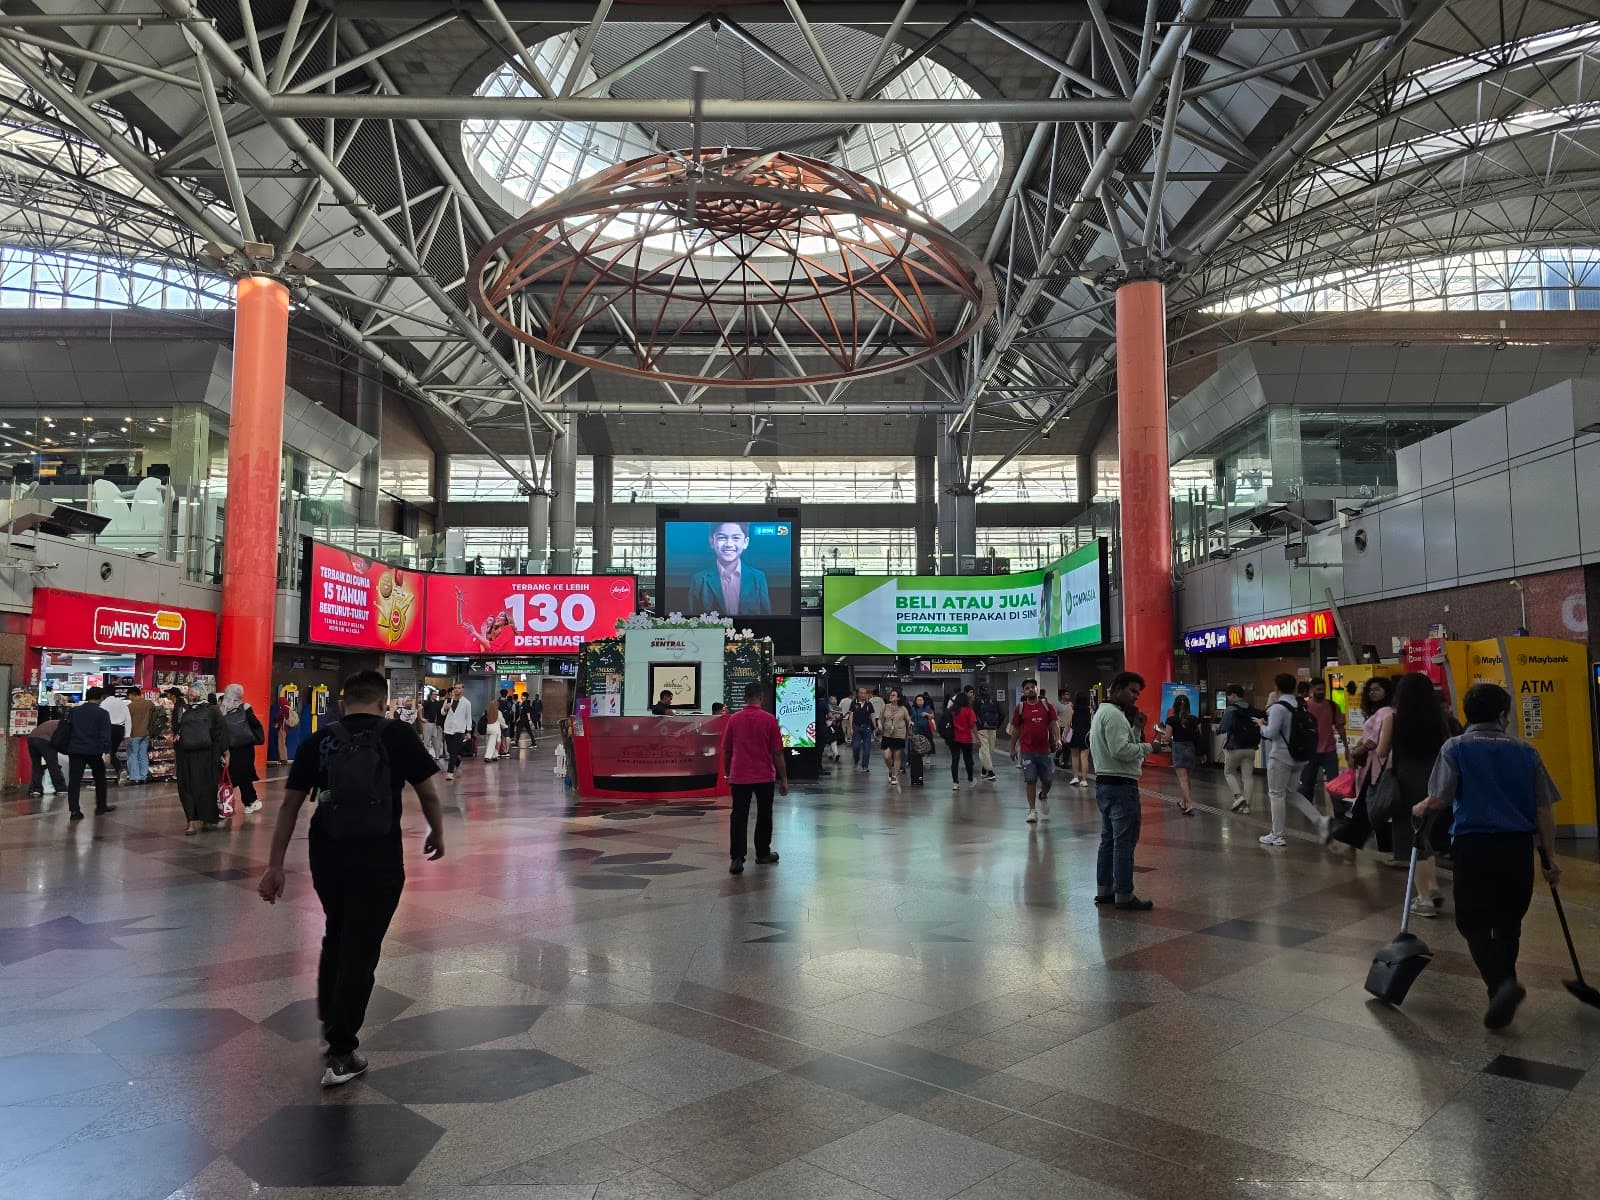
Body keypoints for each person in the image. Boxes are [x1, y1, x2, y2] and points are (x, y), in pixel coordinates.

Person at [259, 670, 445, 1085]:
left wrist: (275, 866)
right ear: (382, 703)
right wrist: (437, 831)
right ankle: (342, 1053)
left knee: (337, 932)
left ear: (343, 703)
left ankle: (331, 1023)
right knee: (362, 947)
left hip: (327, 853)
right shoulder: (397, 735)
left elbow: (289, 807)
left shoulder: (318, 740)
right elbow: (428, 792)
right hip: (378, 856)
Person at [1412, 683, 1561, 1030]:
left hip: (1474, 846)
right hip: (1516, 847)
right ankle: (1501, 990)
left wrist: (1420, 806)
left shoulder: (1455, 747)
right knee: (1509, 921)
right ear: (1503, 715)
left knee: (1472, 922)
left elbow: (1440, 798)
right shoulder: (1526, 751)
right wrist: (1550, 857)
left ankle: (1501, 985)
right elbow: (1543, 809)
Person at [1376, 673, 1453, 918]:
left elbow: (1381, 751)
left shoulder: (1394, 718)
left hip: (1407, 782)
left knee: (1413, 840)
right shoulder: (1441, 719)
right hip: (1437, 782)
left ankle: (1424, 899)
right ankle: (1432, 886)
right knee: (1425, 834)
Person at [1089, 672, 1164, 910]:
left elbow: (1123, 744)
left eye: (1137, 693)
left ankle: (1105, 890)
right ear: (1117, 689)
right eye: (1132, 691)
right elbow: (1121, 750)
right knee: (1124, 842)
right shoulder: (1114, 715)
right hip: (1121, 786)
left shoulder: (1103, 712)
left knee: (1109, 840)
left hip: (1106, 784)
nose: (1135, 696)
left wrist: (1136, 728)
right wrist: (1150, 747)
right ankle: (1123, 894)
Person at [1258, 673, 1331, 848]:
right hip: (1299, 758)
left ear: (1277, 688)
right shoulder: (1301, 705)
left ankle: (1277, 835)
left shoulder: (1278, 708)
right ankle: (1320, 820)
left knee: (1276, 794)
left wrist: (1261, 725)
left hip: (1280, 757)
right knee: (1291, 793)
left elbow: (1271, 733)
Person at [722, 683, 786, 875]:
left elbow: (727, 750)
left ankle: (737, 858)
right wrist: (784, 778)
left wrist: (728, 774)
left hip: (740, 775)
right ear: (761, 697)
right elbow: (777, 753)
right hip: (764, 775)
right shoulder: (769, 720)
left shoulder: (734, 719)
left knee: (738, 815)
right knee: (765, 814)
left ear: (744, 698)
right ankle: (763, 853)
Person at [1335, 676, 1397, 853]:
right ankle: (1374, 842)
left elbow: (1372, 741)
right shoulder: (1381, 711)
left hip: (1378, 764)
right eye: (1370, 690)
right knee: (1372, 803)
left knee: (1369, 803)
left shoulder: (1385, 712)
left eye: (1377, 689)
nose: (1372, 693)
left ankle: (1352, 837)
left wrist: (1355, 753)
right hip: (1375, 764)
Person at [688, 521, 772, 615]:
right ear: (712, 542)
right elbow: (693, 619)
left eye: (736, 538)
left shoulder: (758, 577)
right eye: (722, 538)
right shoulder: (699, 580)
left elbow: (766, 616)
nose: (729, 544)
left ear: (745, 542)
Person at [174, 688, 228, 835]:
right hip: (208, 756)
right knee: (207, 788)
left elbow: (176, 731)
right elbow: (221, 732)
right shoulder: (213, 710)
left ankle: (191, 823)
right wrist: (225, 752)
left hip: (186, 756)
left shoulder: (182, 710)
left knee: (187, 788)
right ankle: (207, 820)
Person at [59, 686, 117, 821]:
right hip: (94, 751)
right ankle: (101, 806)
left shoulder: (74, 711)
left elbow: (68, 729)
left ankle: (74, 811)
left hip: (75, 750)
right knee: (100, 778)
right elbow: (105, 734)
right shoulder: (102, 713)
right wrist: (107, 752)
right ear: (100, 698)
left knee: (74, 780)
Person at [1009, 680, 1059, 824]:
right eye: (1027, 688)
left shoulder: (1047, 706)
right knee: (1030, 779)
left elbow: (1054, 724)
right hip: (1027, 750)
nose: (1030, 689)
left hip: (1044, 751)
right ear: (1024, 692)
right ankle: (1032, 810)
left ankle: (1043, 793)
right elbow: (1016, 729)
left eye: (1032, 687)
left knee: (1048, 780)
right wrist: (1012, 748)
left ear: (1037, 689)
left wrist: (1057, 739)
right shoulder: (1020, 708)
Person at [1299, 679, 1349, 807]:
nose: (1321, 692)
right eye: (1318, 689)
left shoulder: (1332, 706)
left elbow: (1341, 728)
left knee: (1335, 784)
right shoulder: (1305, 707)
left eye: (1323, 689)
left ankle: (1339, 812)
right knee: (1307, 785)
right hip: (1311, 752)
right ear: (1312, 689)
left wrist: (1347, 749)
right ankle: (1308, 811)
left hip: (1329, 751)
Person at [220, 684, 267, 814]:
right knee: (244, 775)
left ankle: (226, 803)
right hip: (246, 747)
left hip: (230, 748)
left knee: (232, 775)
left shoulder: (222, 709)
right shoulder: (245, 707)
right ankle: (249, 802)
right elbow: (254, 724)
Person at [1217, 685, 1261, 814]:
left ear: (1234, 695)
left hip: (1235, 747)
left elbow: (1223, 728)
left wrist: (1217, 730)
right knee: (1248, 777)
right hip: (1251, 748)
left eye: (1228, 695)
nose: (1227, 698)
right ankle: (1246, 807)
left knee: (1229, 772)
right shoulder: (1252, 709)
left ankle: (1238, 797)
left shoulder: (1231, 710)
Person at [1165, 693, 1201, 816]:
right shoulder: (1194, 719)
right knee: (1187, 778)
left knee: (1182, 779)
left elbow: (1167, 738)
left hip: (1178, 748)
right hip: (1191, 748)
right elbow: (1199, 736)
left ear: (1175, 706)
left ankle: (1189, 804)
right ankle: (1183, 801)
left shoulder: (1171, 720)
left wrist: (1164, 737)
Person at [26, 707, 67, 797]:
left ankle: (36, 790)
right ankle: (61, 789)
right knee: (53, 765)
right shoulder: (65, 725)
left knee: (36, 765)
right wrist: (65, 752)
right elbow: (58, 741)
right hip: (44, 741)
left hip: (31, 738)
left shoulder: (54, 722)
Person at [879, 687, 911, 787]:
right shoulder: (885, 707)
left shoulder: (903, 708)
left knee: (897, 757)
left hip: (899, 734)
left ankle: (894, 776)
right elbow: (880, 719)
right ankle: (891, 769)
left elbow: (908, 719)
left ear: (898, 698)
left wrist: (910, 722)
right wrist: (879, 724)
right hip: (887, 734)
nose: (891, 696)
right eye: (890, 695)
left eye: (893, 695)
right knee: (887, 756)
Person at [440, 685, 472, 780]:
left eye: (459, 688)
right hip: (448, 729)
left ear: (462, 689)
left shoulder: (466, 702)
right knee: (450, 751)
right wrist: (445, 708)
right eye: (455, 688)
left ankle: (450, 773)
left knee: (453, 751)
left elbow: (468, 717)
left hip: (459, 730)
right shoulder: (448, 700)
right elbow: (442, 713)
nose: (457, 689)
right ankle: (457, 761)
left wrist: (468, 731)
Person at [100, 687, 131, 784]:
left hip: (108, 728)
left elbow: (100, 718)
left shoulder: (104, 703)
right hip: (119, 730)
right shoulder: (122, 703)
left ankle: (100, 777)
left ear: (105, 694)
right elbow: (128, 719)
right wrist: (127, 734)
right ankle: (119, 771)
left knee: (105, 752)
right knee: (111, 752)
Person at [124, 687, 154, 784]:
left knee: (133, 755)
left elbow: (126, 721)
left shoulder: (130, 706)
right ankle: (143, 776)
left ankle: (135, 777)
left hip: (134, 734)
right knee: (143, 755)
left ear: (131, 695)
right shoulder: (149, 704)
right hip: (146, 733)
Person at [947, 692, 978, 788]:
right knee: (968, 759)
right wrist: (977, 737)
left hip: (954, 738)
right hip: (966, 738)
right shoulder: (969, 710)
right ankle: (970, 780)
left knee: (955, 760)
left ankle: (955, 783)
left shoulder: (951, 711)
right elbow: (973, 725)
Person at [1063, 691, 1092, 786]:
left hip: (1075, 734)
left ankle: (1075, 777)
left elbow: (1068, 724)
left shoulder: (1073, 710)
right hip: (1086, 735)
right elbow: (1093, 723)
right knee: (1085, 757)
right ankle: (1084, 780)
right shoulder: (1090, 710)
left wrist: (1065, 736)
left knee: (1074, 756)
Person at [907, 694, 936, 787]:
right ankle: (915, 774)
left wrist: (927, 714)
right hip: (916, 732)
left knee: (928, 745)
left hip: (926, 731)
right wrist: (910, 722)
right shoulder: (912, 709)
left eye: (921, 700)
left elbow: (932, 716)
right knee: (916, 750)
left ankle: (927, 757)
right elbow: (909, 718)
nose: (919, 702)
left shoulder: (927, 708)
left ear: (924, 701)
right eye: (918, 700)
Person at [975, 688, 1003, 781]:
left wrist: (977, 726)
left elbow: (973, 716)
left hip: (981, 729)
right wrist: (998, 725)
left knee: (984, 750)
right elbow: (1002, 714)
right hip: (993, 728)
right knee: (989, 750)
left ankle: (990, 772)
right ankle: (984, 770)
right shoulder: (993, 701)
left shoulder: (977, 702)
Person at [846, 687, 877, 772]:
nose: (863, 695)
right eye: (861, 693)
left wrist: (875, 727)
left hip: (867, 728)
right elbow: (851, 716)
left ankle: (865, 766)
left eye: (865, 693)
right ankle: (856, 758)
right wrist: (851, 728)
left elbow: (872, 716)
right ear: (858, 694)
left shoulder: (869, 704)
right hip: (856, 727)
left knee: (867, 748)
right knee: (855, 746)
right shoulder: (854, 703)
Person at [420, 688, 444, 763]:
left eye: (436, 694)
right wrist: (421, 718)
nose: (435, 696)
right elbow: (420, 708)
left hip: (434, 724)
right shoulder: (427, 702)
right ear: (430, 695)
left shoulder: (437, 703)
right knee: (427, 741)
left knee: (435, 740)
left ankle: (437, 755)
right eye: (434, 694)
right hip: (427, 723)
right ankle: (426, 757)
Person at [482, 697, 506, 762]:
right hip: (495, 729)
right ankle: (487, 757)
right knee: (492, 743)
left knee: (488, 742)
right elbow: (502, 721)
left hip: (487, 728)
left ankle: (495, 755)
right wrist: (505, 726)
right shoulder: (498, 712)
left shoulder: (486, 711)